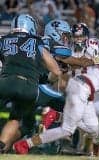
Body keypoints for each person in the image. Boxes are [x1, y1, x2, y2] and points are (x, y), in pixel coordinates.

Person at [0, 14, 61, 153]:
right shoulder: (37, 42)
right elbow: (56, 71)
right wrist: (46, 81)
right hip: (29, 87)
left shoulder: (4, 40)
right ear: (31, 26)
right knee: (15, 118)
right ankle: (1, 146)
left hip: (7, 81)